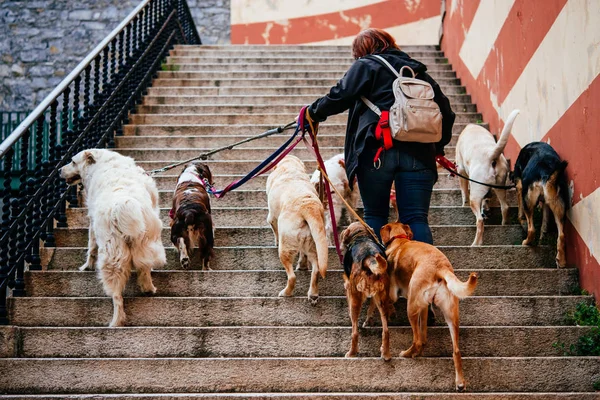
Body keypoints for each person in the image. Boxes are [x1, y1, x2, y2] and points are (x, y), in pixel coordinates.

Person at [303, 28, 455, 244]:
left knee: (375, 216)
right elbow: (446, 112)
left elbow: (340, 95)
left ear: (361, 51)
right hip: (420, 154)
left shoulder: (366, 65)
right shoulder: (418, 73)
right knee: (416, 219)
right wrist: (438, 148)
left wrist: (311, 113)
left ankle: (375, 274)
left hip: (377, 151)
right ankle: (423, 275)